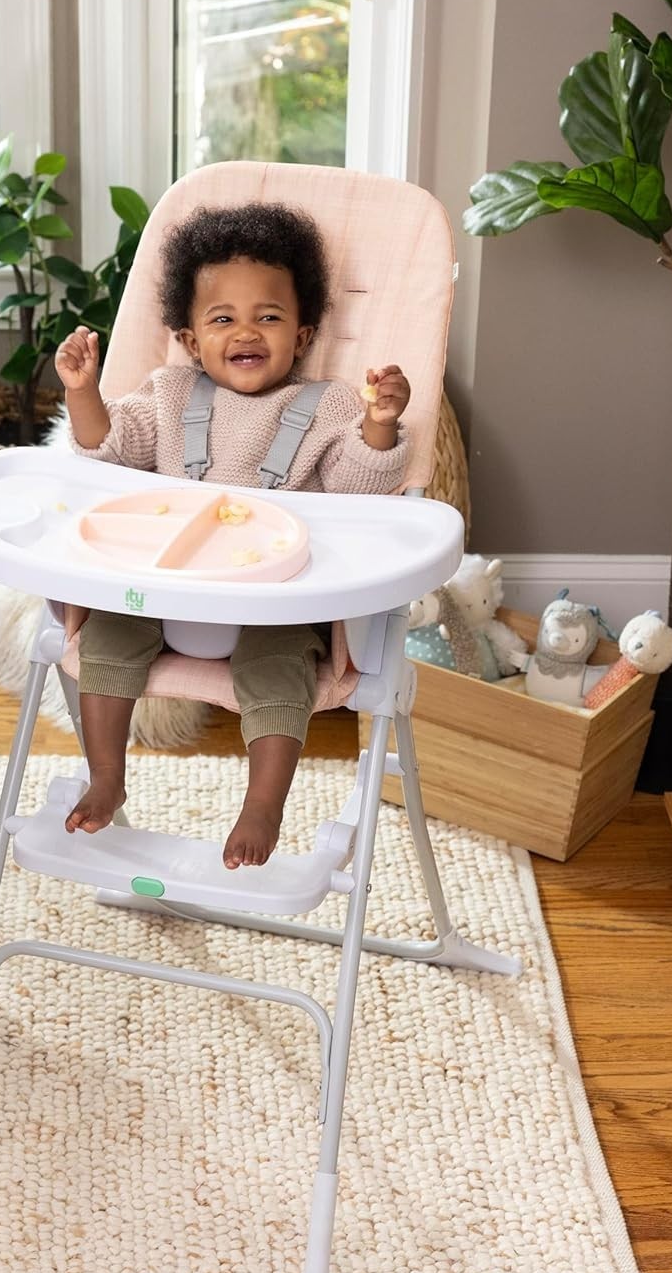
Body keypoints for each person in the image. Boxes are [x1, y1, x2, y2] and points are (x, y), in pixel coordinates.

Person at [55, 201, 411, 868]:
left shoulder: (329, 405)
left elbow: (357, 488)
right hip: (166, 588)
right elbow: (110, 449)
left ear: (302, 335)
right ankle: (105, 774)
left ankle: (263, 804)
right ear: (191, 341)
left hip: (272, 603)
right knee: (105, 636)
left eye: (268, 317)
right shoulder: (168, 394)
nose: (246, 331)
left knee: (280, 671)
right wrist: (82, 392)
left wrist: (379, 426)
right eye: (222, 319)